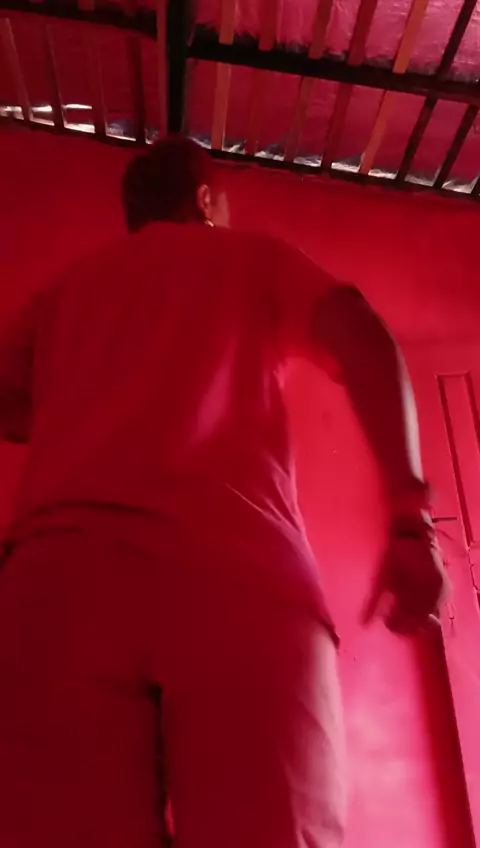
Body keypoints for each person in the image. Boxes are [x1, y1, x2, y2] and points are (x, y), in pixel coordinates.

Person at [0, 135, 447, 848]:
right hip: (237, 579)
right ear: (206, 201)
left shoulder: (67, 292)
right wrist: (408, 520)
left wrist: (75, 403)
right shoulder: (246, 257)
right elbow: (361, 335)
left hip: (58, 590)